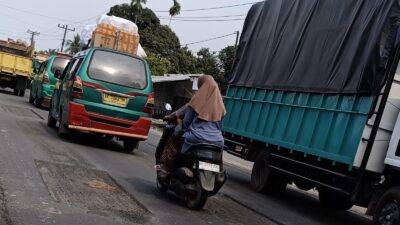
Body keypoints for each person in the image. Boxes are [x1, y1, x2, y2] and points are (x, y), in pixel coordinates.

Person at [157, 75, 226, 176]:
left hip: (196, 138)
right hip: (218, 141)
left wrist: (180, 122)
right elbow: (220, 127)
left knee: (172, 142)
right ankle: (218, 172)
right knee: (219, 156)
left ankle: (166, 168)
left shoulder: (196, 102)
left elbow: (186, 123)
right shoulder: (222, 107)